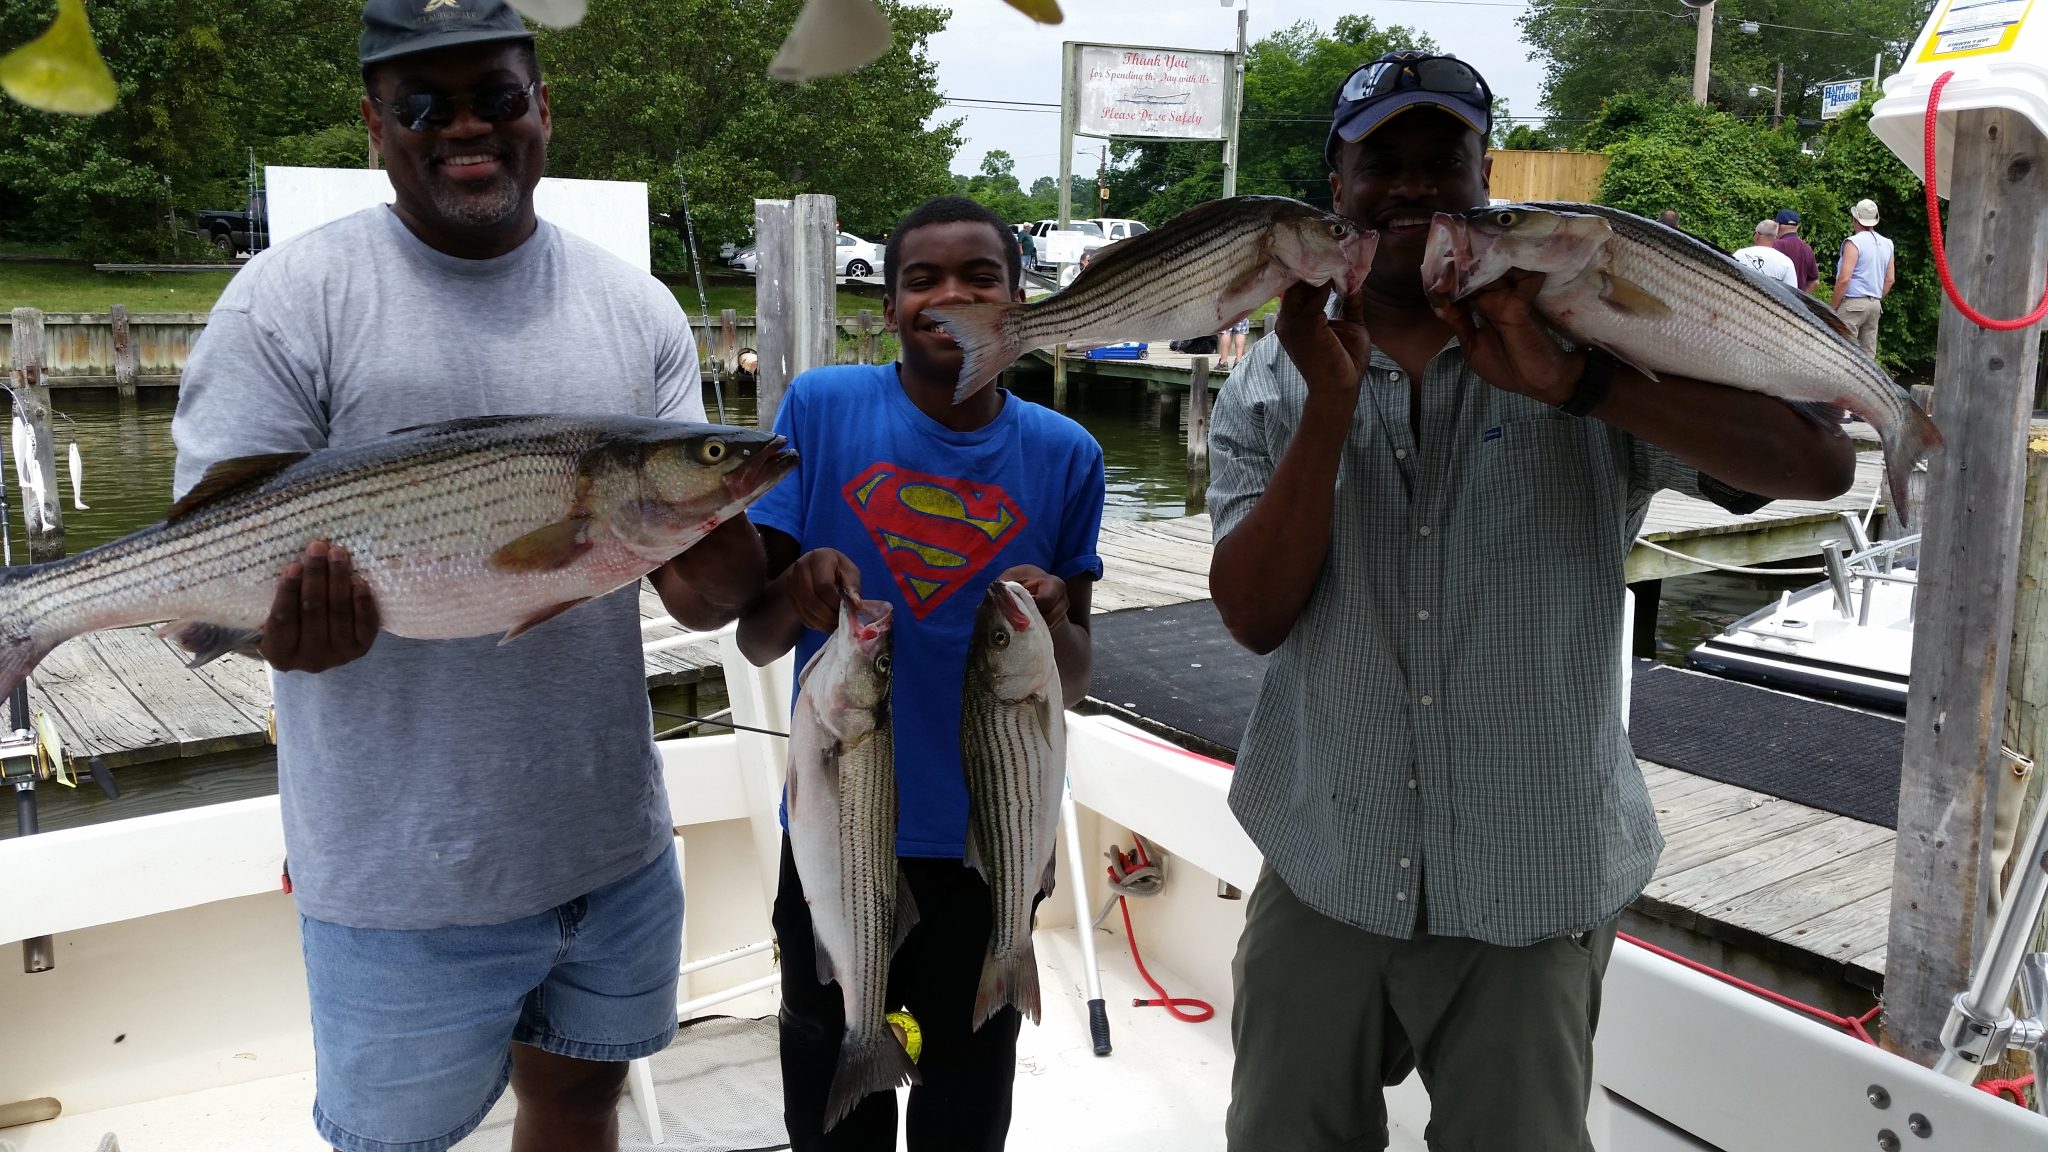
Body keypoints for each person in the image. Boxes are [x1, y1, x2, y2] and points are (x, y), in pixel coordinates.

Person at [1206, 50, 1855, 1151]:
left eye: (1441, 159)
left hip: (1534, 873)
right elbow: (1253, 615)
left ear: (1482, 175)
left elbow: (1815, 466)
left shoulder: (1584, 333)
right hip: (1324, 855)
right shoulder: (1266, 378)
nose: (1411, 186)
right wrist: (1328, 405)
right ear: (1336, 188)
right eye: (1382, 163)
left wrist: (1576, 384)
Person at [170, 4, 768, 1150]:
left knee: (582, 1096)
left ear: (542, 105)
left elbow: (687, 591)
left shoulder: (635, 308)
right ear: (374, 123)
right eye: (422, 105)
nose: (465, 127)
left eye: (494, 95)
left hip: (609, 843)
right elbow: (218, 555)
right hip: (397, 870)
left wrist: (738, 536)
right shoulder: (289, 300)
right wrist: (276, 629)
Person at [738, 195, 1106, 1151]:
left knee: (966, 1098)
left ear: (1020, 300)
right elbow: (756, 637)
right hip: (838, 829)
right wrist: (798, 587)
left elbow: (1076, 676)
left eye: (981, 277)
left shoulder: (1068, 456)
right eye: (921, 278)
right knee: (829, 1084)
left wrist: (1057, 615)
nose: (951, 296)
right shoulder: (819, 408)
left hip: (993, 837)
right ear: (889, 301)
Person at [1832, 198, 1895, 358]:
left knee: (1842, 352)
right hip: (1874, 304)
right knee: (1867, 357)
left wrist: (1832, 308)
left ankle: (1842, 384)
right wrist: (1875, 297)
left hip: (1852, 304)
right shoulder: (1887, 243)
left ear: (1855, 219)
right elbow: (1890, 279)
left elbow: (1844, 278)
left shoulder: (1854, 242)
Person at [1734, 219, 1801, 290]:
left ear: (1757, 235)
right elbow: (1792, 293)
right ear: (1776, 237)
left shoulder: (1739, 254)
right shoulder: (1786, 262)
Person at [1772, 208, 1821, 293]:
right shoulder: (1807, 248)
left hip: (1776, 300)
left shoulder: (1775, 245)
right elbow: (1815, 282)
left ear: (1777, 225)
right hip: (1795, 303)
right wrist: (1800, 298)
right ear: (1797, 226)